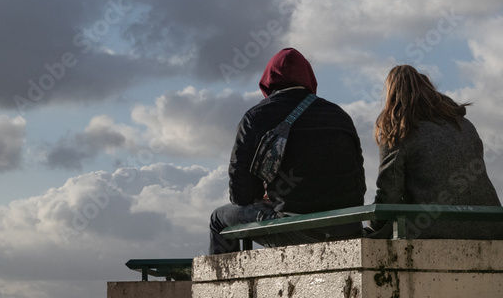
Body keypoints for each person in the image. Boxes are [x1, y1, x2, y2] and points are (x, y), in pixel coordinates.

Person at [209, 47, 366, 254]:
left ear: (268, 81)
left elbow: (240, 194)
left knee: (218, 219)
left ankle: (223, 286)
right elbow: (358, 184)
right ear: (309, 79)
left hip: (296, 229)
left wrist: (265, 196)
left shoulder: (256, 117)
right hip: (347, 227)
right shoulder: (339, 115)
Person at [371, 65, 502, 239]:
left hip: (435, 227)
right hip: (492, 224)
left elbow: (390, 193)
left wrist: (373, 226)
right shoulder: (464, 125)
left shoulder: (400, 129)